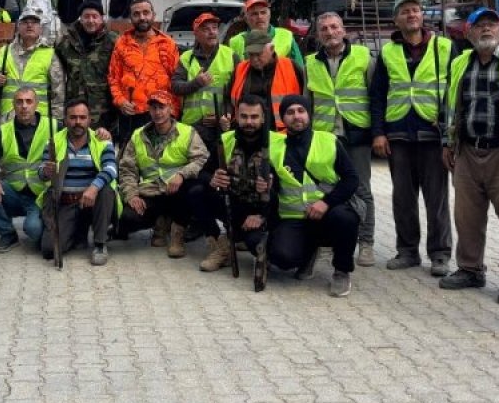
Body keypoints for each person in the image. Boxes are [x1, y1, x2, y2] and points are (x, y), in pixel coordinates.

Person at [439, 7, 499, 305]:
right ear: (469, 33)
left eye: (492, 24)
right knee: (466, 216)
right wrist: (447, 143)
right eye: (480, 26)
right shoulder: (459, 63)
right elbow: (450, 106)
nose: (487, 29)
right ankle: (470, 269)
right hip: (467, 150)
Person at [371, 0, 454, 276]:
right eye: (405, 11)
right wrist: (378, 133)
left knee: (437, 199)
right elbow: (378, 95)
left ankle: (440, 254)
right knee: (403, 199)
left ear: (422, 15)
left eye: (415, 10)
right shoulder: (388, 52)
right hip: (398, 136)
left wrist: (450, 135)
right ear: (396, 20)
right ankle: (407, 251)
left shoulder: (444, 47)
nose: (411, 15)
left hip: (433, 134)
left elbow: (454, 92)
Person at [263, 95, 363, 297]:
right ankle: (308, 253)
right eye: (290, 112)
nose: (296, 116)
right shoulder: (274, 145)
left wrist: (326, 203)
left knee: (345, 218)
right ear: (282, 118)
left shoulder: (328, 141)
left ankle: (342, 271)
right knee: (282, 258)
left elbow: (351, 179)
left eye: (301, 111)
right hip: (293, 218)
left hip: (327, 212)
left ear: (309, 114)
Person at [305, 12, 377, 267]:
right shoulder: (310, 63)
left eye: (334, 27)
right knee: (325, 189)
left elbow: (374, 95)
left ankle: (366, 243)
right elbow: (308, 101)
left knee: (361, 189)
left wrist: (377, 132)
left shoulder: (363, 56)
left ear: (343, 30)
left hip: (356, 133)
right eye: (324, 28)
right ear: (318, 35)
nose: (330, 32)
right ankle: (327, 242)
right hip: (325, 136)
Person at [116, 91, 209, 259]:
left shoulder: (187, 132)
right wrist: (132, 195)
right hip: (151, 191)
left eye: (162, 107)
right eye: (153, 108)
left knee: (196, 188)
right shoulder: (138, 135)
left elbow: (201, 158)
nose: (157, 112)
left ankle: (177, 232)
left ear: (171, 108)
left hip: (177, 191)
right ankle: (160, 222)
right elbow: (127, 169)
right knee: (128, 218)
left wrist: (181, 174)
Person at [38, 99, 119, 266]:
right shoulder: (54, 141)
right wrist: (46, 171)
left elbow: (111, 169)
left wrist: (94, 188)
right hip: (65, 202)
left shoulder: (102, 140)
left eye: (82, 117)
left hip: (93, 201)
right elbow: (41, 171)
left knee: (105, 190)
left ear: (89, 120)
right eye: (73, 117)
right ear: (65, 120)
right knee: (48, 249)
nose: (78, 122)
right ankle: (77, 232)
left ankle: (100, 245)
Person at [204, 94, 276, 276]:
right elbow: (203, 173)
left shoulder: (278, 143)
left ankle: (255, 242)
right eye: (244, 116)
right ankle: (222, 247)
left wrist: (262, 215)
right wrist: (212, 179)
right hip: (233, 207)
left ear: (263, 118)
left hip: (263, 211)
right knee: (197, 191)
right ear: (236, 116)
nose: (249, 122)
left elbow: (288, 189)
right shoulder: (226, 140)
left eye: (254, 117)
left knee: (257, 244)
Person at [0, 87, 48, 253]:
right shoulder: (4, 131)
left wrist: (100, 133)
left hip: (40, 197)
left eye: (29, 101)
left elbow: (78, 134)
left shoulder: (52, 126)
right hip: (13, 194)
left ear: (36, 104)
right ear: (13, 105)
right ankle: (7, 233)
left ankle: (40, 224)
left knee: (34, 231)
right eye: (19, 102)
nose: (24, 106)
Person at [108, 0, 180, 149]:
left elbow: (176, 80)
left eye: (146, 13)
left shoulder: (167, 44)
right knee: (130, 158)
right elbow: (113, 77)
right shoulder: (122, 43)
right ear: (130, 18)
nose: (142, 17)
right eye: (136, 14)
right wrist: (120, 101)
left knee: (161, 157)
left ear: (153, 15)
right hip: (131, 114)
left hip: (161, 115)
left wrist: (173, 112)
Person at [171, 12, 237, 150]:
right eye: (206, 29)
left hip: (222, 127)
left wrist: (224, 116)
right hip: (192, 127)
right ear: (196, 34)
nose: (211, 32)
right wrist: (196, 83)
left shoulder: (231, 55)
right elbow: (175, 86)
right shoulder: (186, 58)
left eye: (214, 28)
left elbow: (237, 92)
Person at [56, 0, 118, 133]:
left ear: (101, 18)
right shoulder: (66, 42)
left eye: (95, 16)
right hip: (75, 110)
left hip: (103, 111)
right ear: (81, 19)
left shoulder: (113, 41)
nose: (91, 21)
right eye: (86, 16)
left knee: (102, 144)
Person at [0, 7, 64, 121]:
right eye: (25, 22)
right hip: (8, 121)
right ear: (18, 26)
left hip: (39, 122)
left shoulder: (50, 54)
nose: (29, 25)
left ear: (40, 28)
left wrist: (56, 122)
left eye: (34, 22)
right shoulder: (4, 52)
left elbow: (58, 93)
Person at [228, 30, 305, 132]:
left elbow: (306, 99)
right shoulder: (240, 69)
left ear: (272, 49)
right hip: (247, 134)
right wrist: (227, 115)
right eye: (251, 55)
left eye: (258, 54)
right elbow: (228, 99)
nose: (254, 59)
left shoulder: (290, 67)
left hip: (283, 134)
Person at [227, 0, 304, 68]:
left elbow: (299, 69)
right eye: (254, 14)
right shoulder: (235, 42)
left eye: (263, 12)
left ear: (269, 15)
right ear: (246, 18)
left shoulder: (286, 36)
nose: (260, 17)